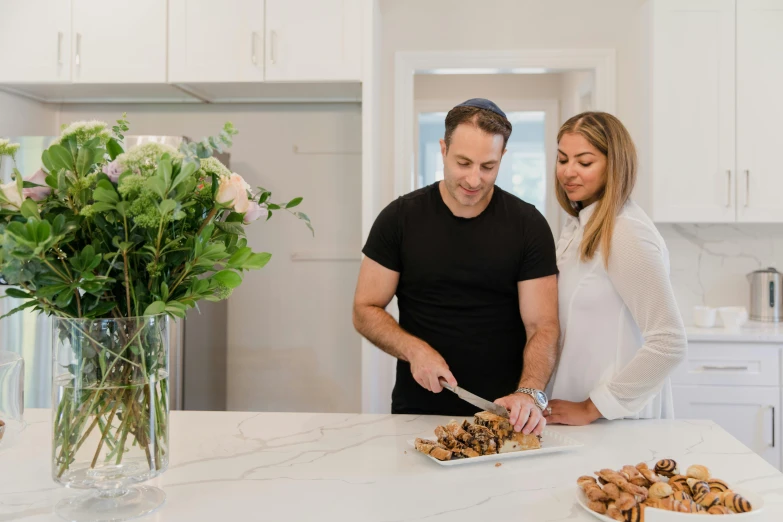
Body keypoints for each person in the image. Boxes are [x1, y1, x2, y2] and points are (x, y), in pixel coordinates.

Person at [353, 98, 559, 436]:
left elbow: (543, 326)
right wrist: (414, 349)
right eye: (463, 162)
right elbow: (364, 308)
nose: (474, 179)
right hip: (418, 413)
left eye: (488, 166)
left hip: (503, 415)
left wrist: (529, 392)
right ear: (443, 149)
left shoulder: (528, 225)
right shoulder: (399, 219)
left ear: (503, 158)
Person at [544, 112, 687, 426]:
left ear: (615, 165)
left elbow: (669, 343)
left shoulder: (626, 231)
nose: (568, 172)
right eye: (562, 159)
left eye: (584, 162)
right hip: (576, 414)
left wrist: (591, 407)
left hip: (613, 421)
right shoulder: (578, 227)